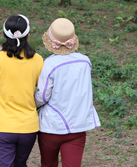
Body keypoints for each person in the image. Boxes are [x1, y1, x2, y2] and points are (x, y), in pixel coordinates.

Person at [0, 14, 44, 167]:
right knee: (20, 164)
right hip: (28, 127)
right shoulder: (38, 60)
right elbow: (42, 89)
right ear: (28, 35)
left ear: (4, 34)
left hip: (2, 126)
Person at [35, 18, 101, 167]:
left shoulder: (49, 64)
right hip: (78, 126)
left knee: (48, 164)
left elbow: (42, 96)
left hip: (51, 126)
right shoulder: (85, 61)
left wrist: (30, 104)